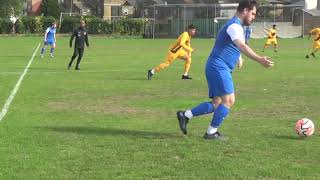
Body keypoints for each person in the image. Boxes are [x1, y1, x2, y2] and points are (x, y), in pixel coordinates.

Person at [176, 0, 274, 140]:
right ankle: (211, 133)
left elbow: (233, 45)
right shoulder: (234, 25)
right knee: (228, 100)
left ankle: (185, 115)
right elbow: (241, 45)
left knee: (217, 103)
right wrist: (260, 59)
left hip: (216, 66)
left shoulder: (236, 26)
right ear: (245, 10)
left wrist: (238, 57)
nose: (253, 17)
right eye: (253, 13)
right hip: (218, 67)